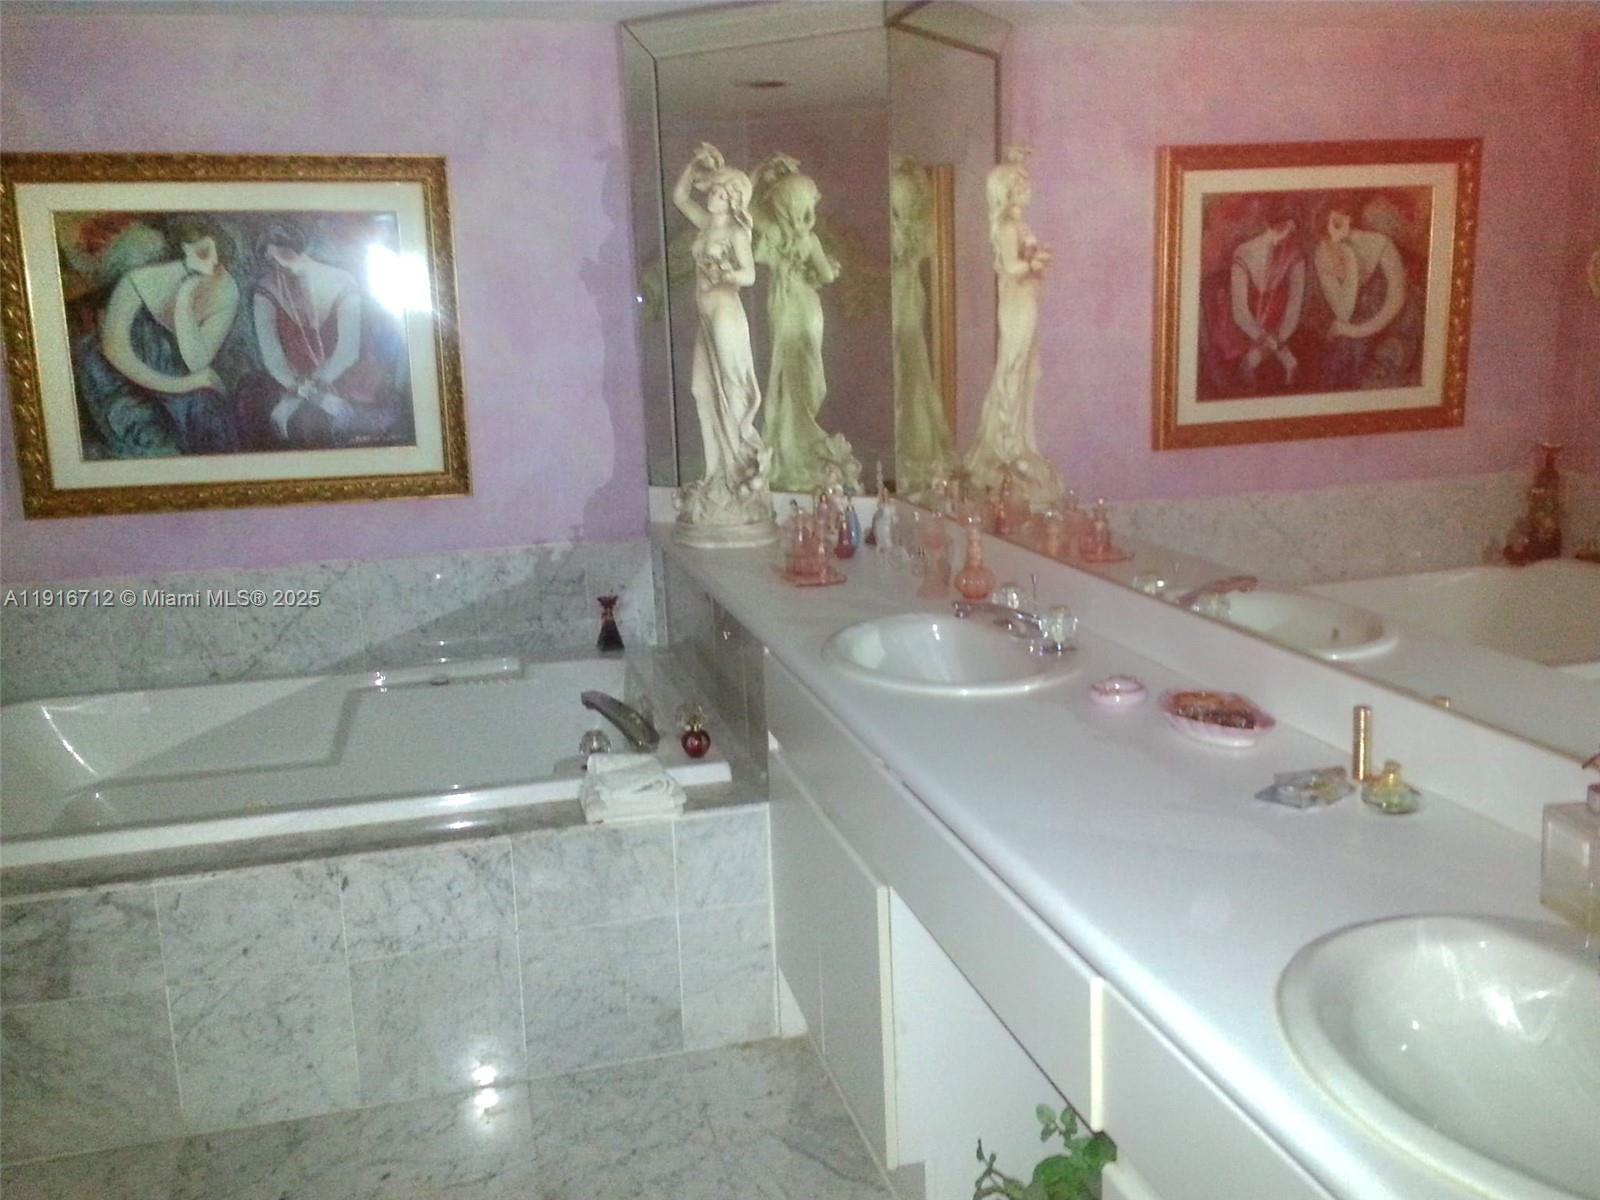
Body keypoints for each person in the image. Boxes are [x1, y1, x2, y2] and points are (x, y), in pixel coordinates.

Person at [73, 217, 241, 457]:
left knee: (210, 418)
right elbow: (115, 351)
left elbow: (196, 362)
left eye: (219, 257)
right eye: (203, 253)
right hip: (119, 377)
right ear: (182, 252)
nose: (213, 263)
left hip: (174, 371)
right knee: (146, 434)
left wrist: (184, 299)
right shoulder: (140, 280)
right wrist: (183, 385)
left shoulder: (226, 289)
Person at [671, 142, 772, 531]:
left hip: (726, 316)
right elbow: (680, 197)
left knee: (732, 388)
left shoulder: (735, 231)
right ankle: (715, 474)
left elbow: (750, 275)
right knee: (701, 390)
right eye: (712, 189)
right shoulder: (705, 224)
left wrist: (724, 273)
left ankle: (740, 467)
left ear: (732, 200)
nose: (711, 195)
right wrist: (694, 163)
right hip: (706, 316)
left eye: (718, 191)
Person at [751, 153, 857, 493]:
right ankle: (797, 442)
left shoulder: (772, 232)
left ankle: (787, 444)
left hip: (781, 305)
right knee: (808, 373)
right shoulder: (810, 241)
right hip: (805, 304)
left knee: (784, 373)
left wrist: (759, 173)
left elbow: (748, 206)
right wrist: (829, 268)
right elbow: (825, 276)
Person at [964, 146, 1064, 507]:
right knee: (1014, 367)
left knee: (1028, 371)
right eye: (1019, 184)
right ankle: (1006, 443)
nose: (1027, 187)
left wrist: (1037, 261)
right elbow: (1010, 267)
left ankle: (1020, 442)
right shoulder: (1007, 227)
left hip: (1027, 302)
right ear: (1006, 192)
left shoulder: (1019, 225)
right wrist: (1033, 262)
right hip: (1017, 306)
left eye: (1026, 181)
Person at [236, 221, 393, 449]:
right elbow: (272, 356)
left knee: (330, 420)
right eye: (272, 261)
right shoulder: (266, 289)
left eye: (285, 255)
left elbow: (347, 352)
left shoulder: (342, 281)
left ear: (301, 249)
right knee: (254, 404)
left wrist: (316, 390)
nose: (281, 265)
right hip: (289, 380)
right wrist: (297, 390)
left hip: (341, 374)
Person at [889, 157, 954, 499]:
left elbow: (911, 253)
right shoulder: (895, 235)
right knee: (900, 372)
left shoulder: (910, 239)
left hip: (906, 300)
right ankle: (906, 450)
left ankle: (915, 450)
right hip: (897, 301)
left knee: (910, 371)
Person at [1311, 196, 1415, 390]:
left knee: (1355, 349)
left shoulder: (1379, 243)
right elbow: (1344, 312)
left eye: (1345, 219)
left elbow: (1397, 299)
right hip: (1356, 325)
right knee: (1338, 354)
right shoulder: (1322, 252)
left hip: (1393, 323)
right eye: (1336, 222)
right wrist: (1349, 257)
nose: (1345, 225)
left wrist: (1355, 331)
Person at [1202, 205, 1306, 393]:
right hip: (1242, 335)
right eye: (1282, 228)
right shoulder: (1244, 253)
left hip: (1279, 336)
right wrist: (1283, 355)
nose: (1285, 237)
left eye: (1291, 232)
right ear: (1269, 225)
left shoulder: (1295, 257)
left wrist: (1256, 356)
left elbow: (1292, 315)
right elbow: (1241, 315)